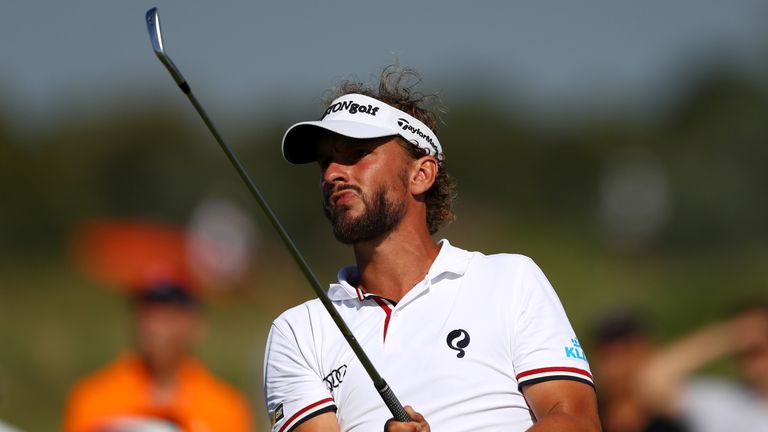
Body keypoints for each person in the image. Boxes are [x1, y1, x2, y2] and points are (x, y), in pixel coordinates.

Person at [263, 65, 600, 432]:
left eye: (357, 153)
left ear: (421, 174)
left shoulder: (510, 279)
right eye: (326, 161)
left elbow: (575, 420)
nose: (332, 174)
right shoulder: (299, 331)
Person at [63, 280, 254, 432]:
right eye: (147, 313)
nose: (153, 328)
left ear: (195, 324)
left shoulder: (226, 407)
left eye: (168, 315)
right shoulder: (92, 398)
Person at [637, 303, 768, 432]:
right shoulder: (724, 402)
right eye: (749, 352)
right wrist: (731, 334)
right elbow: (654, 377)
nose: (756, 359)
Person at [590, 311, 688, 432]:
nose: (616, 367)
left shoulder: (669, 424)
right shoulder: (584, 415)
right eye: (608, 355)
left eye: (626, 352)